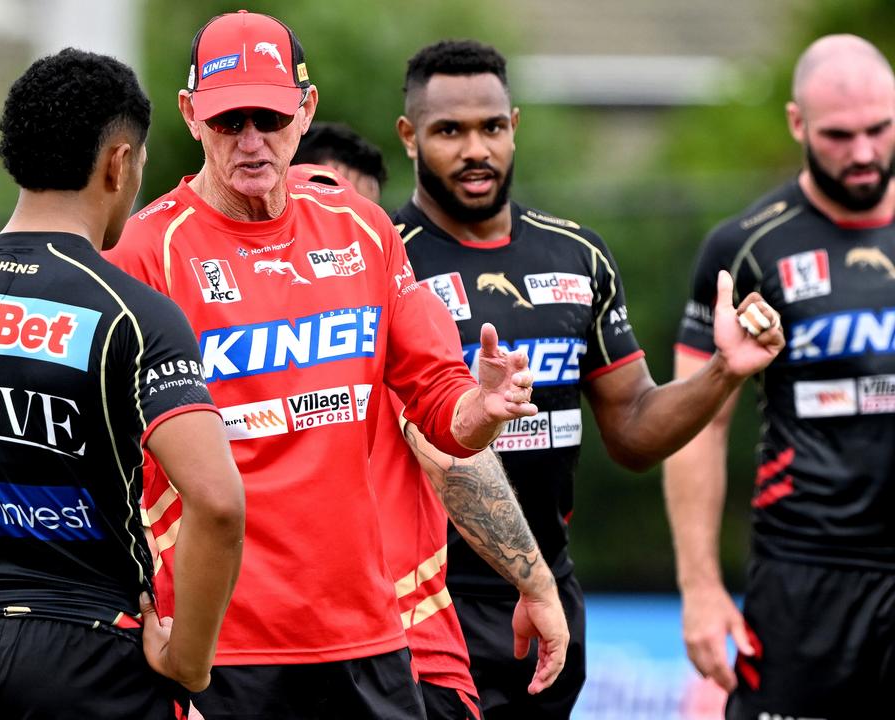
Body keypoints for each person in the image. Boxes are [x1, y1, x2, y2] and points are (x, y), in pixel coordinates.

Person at [107, 12, 566, 718]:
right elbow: (104, 463)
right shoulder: (146, 253)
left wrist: (484, 408)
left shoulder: (361, 228)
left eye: (271, 115)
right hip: (222, 648)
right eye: (231, 121)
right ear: (190, 115)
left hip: (366, 637)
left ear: (307, 107)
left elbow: (441, 408)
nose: (253, 141)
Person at [392, 40, 785, 719]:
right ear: (409, 137)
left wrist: (724, 372)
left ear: (515, 124)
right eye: (448, 131)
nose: (475, 149)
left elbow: (632, 430)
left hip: (551, 591)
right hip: (423, 603)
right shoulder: (381, 257)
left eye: (491, 127)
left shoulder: (579, 256)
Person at [0, 49, 245, 720]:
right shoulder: (132, 311)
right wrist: (187, 662)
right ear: (117, 161)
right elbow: (219, 503)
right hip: (93, 653)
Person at [665, 34, 895, 719]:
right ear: (798, 124)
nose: (862, 152)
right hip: (806, 577)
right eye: (838, 134)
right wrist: (701, 587)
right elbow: (696, 424)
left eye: (880, 129)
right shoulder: (746, 247)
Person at [291, 127, 482, 719]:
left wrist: (537, 582)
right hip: (285, 653)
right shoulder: (186, 291)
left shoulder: (393, 315)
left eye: (361, 215)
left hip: (415, 651)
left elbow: (455, 450)